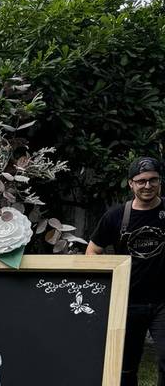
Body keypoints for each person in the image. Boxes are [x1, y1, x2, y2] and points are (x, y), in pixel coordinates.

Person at [88, 156, 165, 386]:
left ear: (160, 181)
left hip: (163, 301)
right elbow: (92, 252)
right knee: (125, 367)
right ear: (131, 183)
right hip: (128, 301)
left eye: (153, 180)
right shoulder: (116, 216)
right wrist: (109, 282)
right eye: (141, 181)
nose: (148, 186)